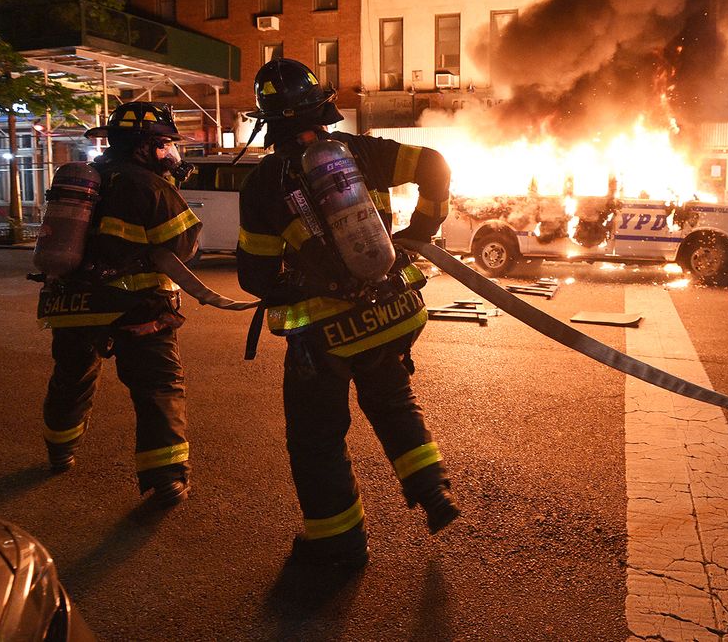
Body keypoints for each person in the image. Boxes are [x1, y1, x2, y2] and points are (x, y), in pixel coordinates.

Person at [236, 58, 458, 569]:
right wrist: (421, 232)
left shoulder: (265, 182)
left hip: (325, 336)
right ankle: (432, 491)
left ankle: (337, 543)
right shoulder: (363, 151)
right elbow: (436, 168)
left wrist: (297, 278)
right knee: (394, 402)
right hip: (392, 313)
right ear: (322, 105)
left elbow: (256, 276)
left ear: (268, 120)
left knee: (317, 439)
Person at [37, 101, 200, 508]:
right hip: (138, 307)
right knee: (157, 387)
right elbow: (184, 247)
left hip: (74, 303)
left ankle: (60, 450)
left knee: (71, 377)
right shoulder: (150, 185)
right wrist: (171, 185)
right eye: (163, 144)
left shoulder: (88, 180)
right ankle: (165, 480)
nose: (168, 153)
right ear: (144, 147)